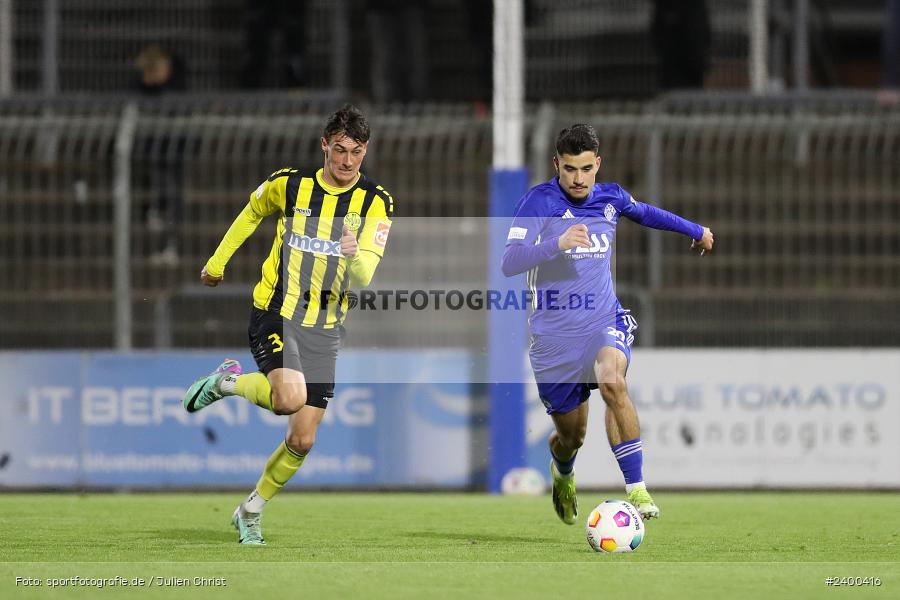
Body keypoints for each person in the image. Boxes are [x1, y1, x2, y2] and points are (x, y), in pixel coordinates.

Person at [181, 105, 394, 544]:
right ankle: (227, 383)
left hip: (325, 328)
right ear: (324, 145)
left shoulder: (376, 202)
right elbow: (251, 212)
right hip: (276, 311)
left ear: (366, 150)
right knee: (289, 398)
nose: (348, 160)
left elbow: (365, 276)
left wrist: (353, 254)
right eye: (340, 150)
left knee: (302, 440)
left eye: (356, 151)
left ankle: (250, 510)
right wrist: (217, 263)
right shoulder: (290, 184)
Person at [501, 124, 714, 524]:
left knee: (613, 382)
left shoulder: (610, 197)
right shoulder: (538, 202)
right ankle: (563, 469)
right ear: (556, 165)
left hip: (602, 319)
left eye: (586, 168)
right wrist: (557, 244)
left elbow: (646, 213)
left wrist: (696, 230)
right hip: (554, 338)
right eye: (569, 169)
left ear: (597, 164)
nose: (578, 178)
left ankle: (637, 489)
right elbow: (509, 262)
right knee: (572, 437)